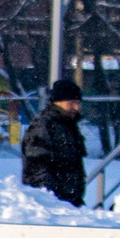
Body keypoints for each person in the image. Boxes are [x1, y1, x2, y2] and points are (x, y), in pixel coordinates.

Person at [22, 79, 90, 207]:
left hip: (69, 201)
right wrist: (48, 200)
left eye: (78, 103)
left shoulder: (69, 126)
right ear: (57, 103)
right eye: (71, 103)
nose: (76, 107)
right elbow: (36, 167)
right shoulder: (44, 126)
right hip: (52, 205)